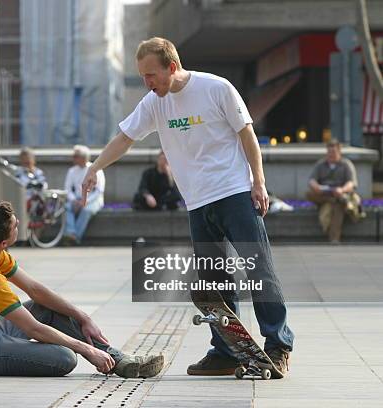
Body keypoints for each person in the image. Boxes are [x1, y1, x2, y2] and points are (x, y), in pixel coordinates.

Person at [81, 37, 294, 378]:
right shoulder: (154, 103)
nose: (148, 84)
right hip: (198, 202)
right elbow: (125, 138)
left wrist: (259, 182)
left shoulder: (216, 88)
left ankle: (278, 345)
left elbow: (247, 134)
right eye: (143, 77)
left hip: (235, 192)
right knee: (214, 280)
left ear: (172, 67)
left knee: (258, 270)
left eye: (152, 75)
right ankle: (227, 351)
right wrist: (95, 167)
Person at [0, 201, 164, 377]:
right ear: (3, 242)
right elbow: (34, 329)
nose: (19, 225)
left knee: (45, 308)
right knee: (64, 358)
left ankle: (119, 359)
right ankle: (100, 355)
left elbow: (35, 290)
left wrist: (82, 316)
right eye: (15, 224)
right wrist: (87, 350)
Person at [306, 139, 365, 243]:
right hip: (324, 194)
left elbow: (351, 183)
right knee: (309, 194)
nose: (331, 155)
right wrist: (316, 187)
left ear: (339, 152)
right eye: (329, 152)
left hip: (340, 192)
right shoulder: (321, 164)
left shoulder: (346, 164)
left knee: (337, 207)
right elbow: (312, 180)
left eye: (333, 152)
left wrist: (342, 190)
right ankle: (335, 200)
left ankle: (334, 239)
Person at [63, 145, 105, 245]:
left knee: (86, 210)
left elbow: (99, 191)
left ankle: (75, 237)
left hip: (94, 199)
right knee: (67, 208)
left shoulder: (96, 170)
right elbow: (67, 189)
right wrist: (74, 200)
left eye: (75, 156)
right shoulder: (72, 171)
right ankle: (71, 233)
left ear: (83, 157)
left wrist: (85, 201)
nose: (73, 158)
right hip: (76, 199)